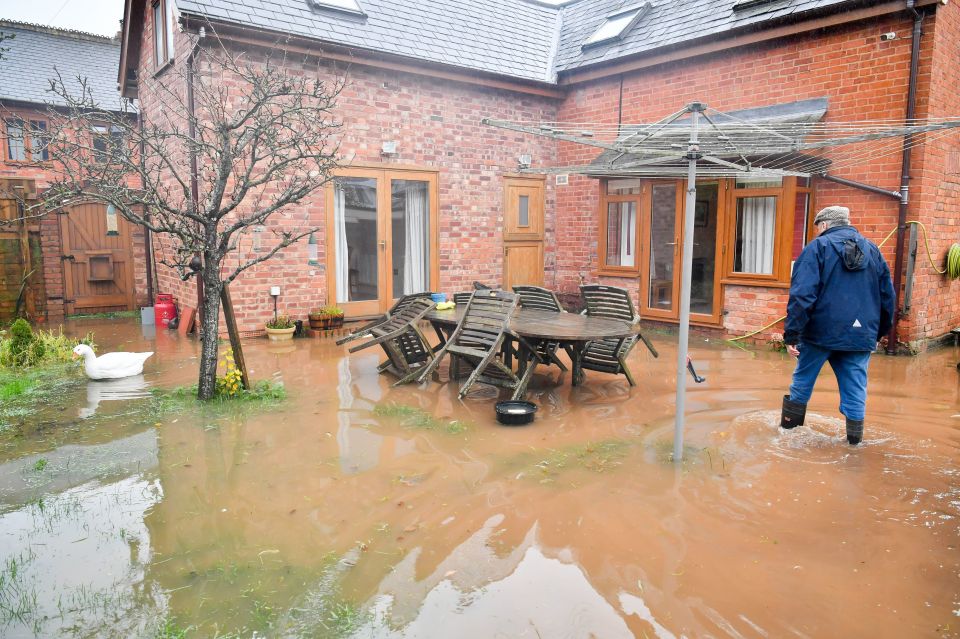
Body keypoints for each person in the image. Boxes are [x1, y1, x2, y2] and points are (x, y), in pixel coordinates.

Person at [780, 205, 895, 445]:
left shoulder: (816, 248)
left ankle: (787, 437)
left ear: (824, 225)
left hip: (819, 335)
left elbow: (802, 296)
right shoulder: (873, 251)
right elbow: (888, 297)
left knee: (802, 382)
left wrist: (792, 335)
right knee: (855, 391)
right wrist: (878, 333)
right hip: (861, 336)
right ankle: (854, 444)